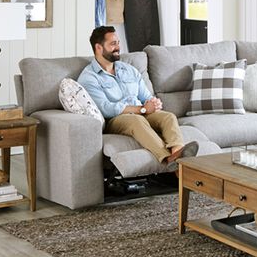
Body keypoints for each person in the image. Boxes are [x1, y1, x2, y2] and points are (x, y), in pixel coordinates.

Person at [78, 26, 198, 171]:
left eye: (118, 42)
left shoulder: (128, 69)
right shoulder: (89, 77)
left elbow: (146, 96)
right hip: (117, 119)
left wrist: (154, 103)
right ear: (98, 47)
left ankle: (179, 160)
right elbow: (106, 108)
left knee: (168, 117)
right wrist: (141, 109)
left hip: (142, 112)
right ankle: (168, 158)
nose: (118, 47)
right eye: (113, 44)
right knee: (136, 120)